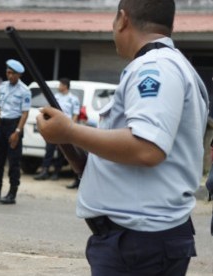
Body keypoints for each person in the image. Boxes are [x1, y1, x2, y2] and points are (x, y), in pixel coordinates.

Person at [37, 0, 208, 275]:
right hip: (139, 241)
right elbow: (123, 158)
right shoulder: (165, 64)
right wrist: (67, 141)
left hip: (138, 245)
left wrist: (70, 131)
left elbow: (146, 148)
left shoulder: (154, 67)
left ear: (122, 19)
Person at [0, 59, 31, 204]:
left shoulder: (25, 90)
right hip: (2, 125)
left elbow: (25, 113)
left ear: (18, 75)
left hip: (15, 125)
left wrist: (17, 132)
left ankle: (12, 193)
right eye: (7, 73)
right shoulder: (2, 87)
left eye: (12, 73)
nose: (9, 76)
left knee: (14, 162)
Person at [33, 78, 80, 182]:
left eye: (60, 85)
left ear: (65, 86)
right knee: (49, 150)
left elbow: (75, 114)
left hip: (64, 129)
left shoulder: (73, 99)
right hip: (53, 127)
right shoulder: (56, 97)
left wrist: (71, 128)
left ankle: (56, 173)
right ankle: (44, 171)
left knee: (61, 151)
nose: (59, 87)